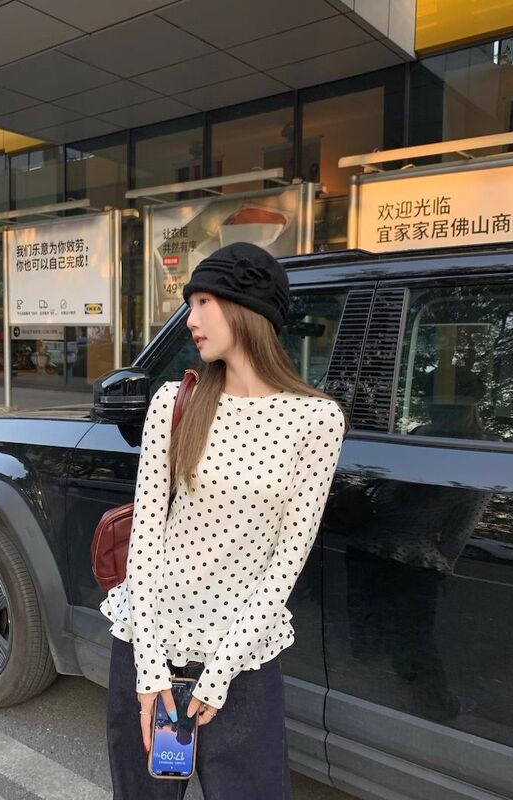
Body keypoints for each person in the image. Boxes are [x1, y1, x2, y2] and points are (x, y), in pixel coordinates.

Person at [102, 242, 345, 799]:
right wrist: (150, 668)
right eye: (191, 304)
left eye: (204, 302)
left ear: (247, 309)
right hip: (151, 644)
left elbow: (286, 562)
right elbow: (146, 539)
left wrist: (218, 674)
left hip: (242, 662)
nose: (191, 319)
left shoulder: (317, 420)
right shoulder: (175, 401)